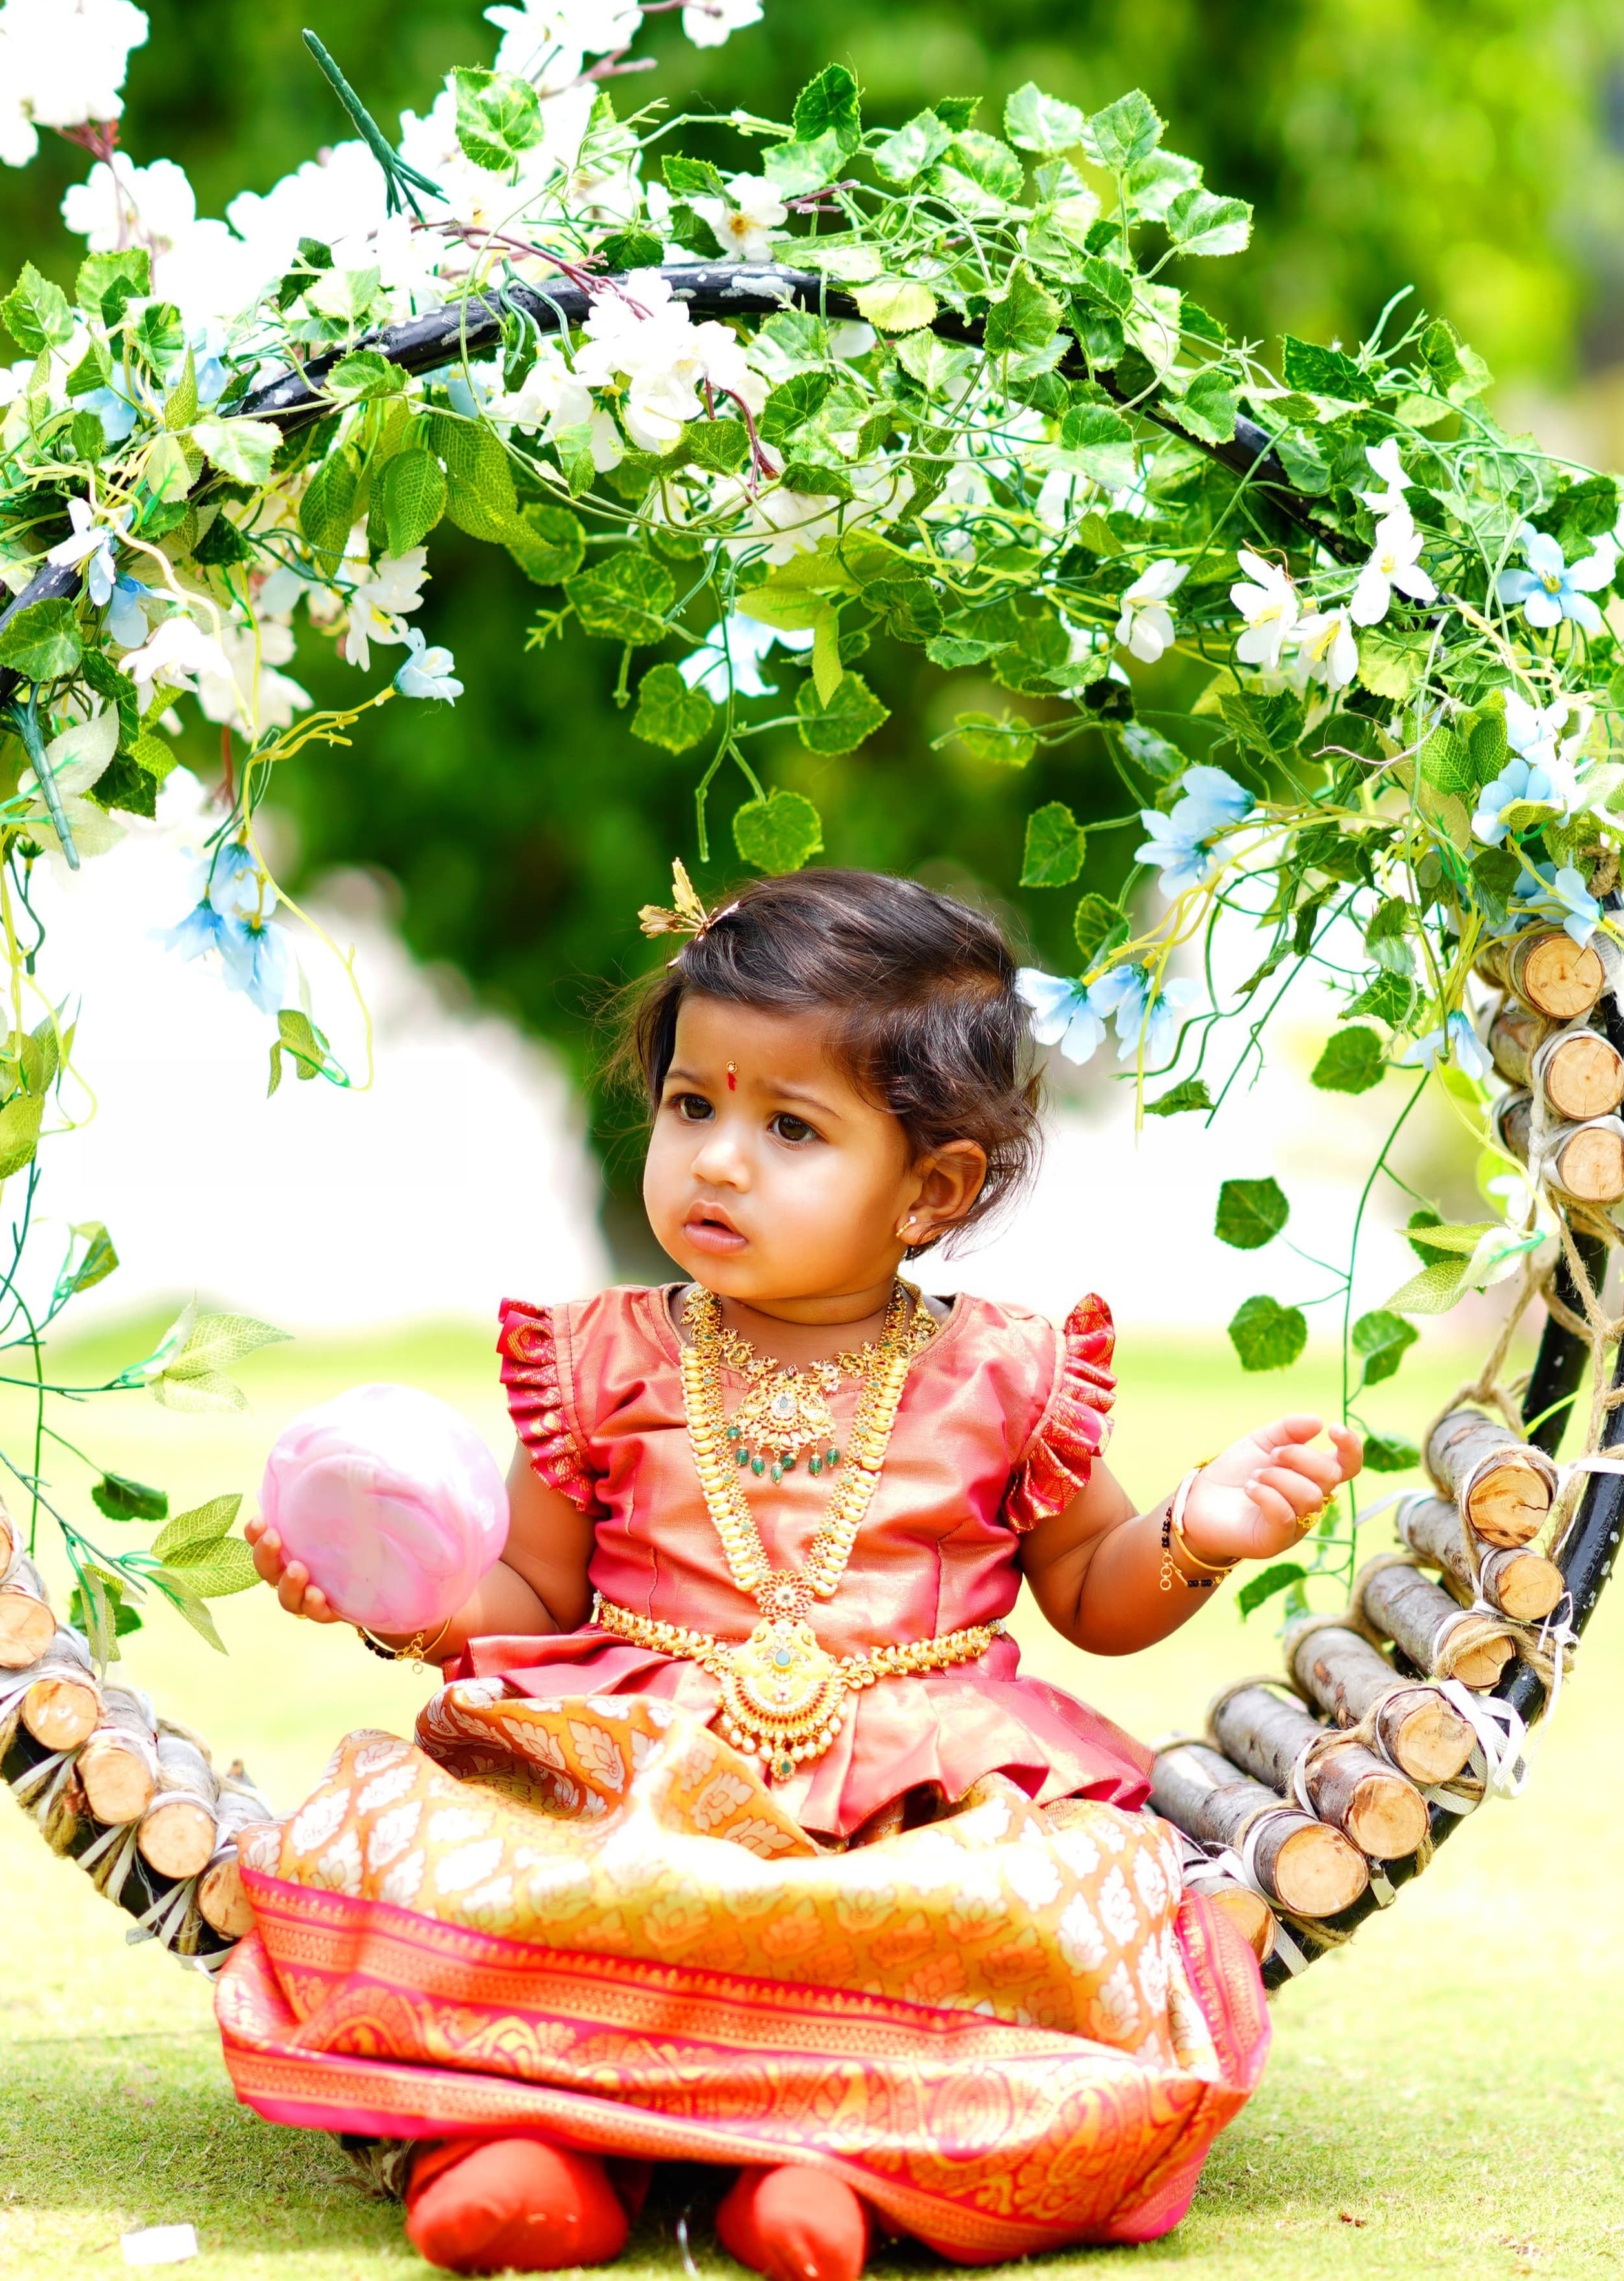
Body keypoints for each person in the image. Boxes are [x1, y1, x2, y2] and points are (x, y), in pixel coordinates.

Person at [221, 866, 1364, 2279]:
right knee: (477, 1880)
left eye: (789, 1127)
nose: (716, 1160)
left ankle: (828, 2172)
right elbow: (532, 1594)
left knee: (1011, 1920)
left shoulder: (1005, 1370)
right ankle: (530, 2150)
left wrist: (1197, 1527)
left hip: (908, 1810)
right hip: (629, 1770)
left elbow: (1087, 1589)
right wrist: (410, 1596)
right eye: (690, 1105)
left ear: (930, 1189)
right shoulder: (603, 1357)